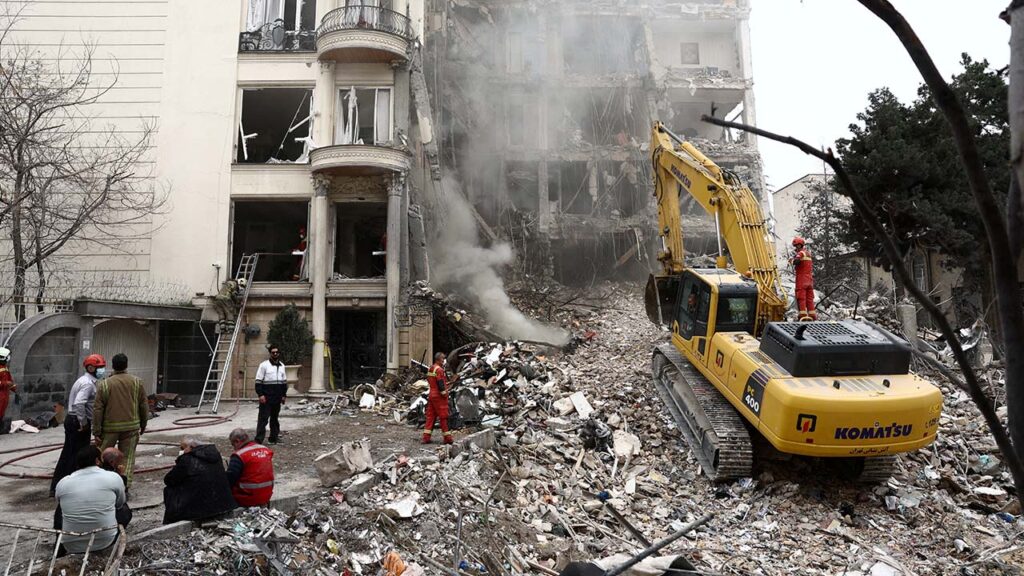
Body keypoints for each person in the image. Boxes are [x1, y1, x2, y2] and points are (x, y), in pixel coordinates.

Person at [51, 354, 106, 496]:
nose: (102, 370)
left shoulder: (85, 380)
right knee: (78, 455)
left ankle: (57, 485)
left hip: (72, 420)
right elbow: (79, 403)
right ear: (91, 367)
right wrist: (83, 422)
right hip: (77, 421)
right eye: (100, 368)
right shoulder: (88, 384)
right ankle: (72, 487)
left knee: (68, 453)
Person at [53, 445, 125, 555]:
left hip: (71, 544)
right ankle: (115, 542)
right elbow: (119, 504)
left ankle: (59, 546)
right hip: (105, 540)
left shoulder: (63, 483)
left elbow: (60, 504)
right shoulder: (113, 477)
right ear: (97, 461)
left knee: (62, 508)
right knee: (124, 510)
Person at [93, 353, 148, 489]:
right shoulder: (137, 382)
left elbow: (98, 409)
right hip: (131, 427)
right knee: (127, 457)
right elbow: (143, 405)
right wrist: (143, 424)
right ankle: (125, 485)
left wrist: (97, 431)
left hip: (109, 428)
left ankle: (101, 483)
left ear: (113, 365)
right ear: (126, 365)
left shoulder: (105, 384)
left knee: (103, 455)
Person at [163, 437, 237, 524]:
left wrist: (179, 461)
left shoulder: (187, 460)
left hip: (200, 508)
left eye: (183, 448)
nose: (182, 451)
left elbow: (169, 480)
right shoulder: (215, 455)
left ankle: (172, 519)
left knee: (169, 490)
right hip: (223, 503)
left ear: (191, 447)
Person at [226, 428, 274, 507]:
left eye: (233, 444)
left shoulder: (239, 455)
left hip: (247, 498)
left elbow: (230, 480)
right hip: (266, 496)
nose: (233, 448)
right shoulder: (265, 450)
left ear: (237, 441)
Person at [254, 345, 286, 444]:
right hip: (266, 397)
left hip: (277, 397)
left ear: (279, 353)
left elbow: (284, 382)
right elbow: (258, 381)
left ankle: (274, 438)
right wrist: (260, 395)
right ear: (270, 353)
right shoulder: (264, 365)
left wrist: (284, 395)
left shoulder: (282, 366)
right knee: (263, 419)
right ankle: (259, 440)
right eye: (273, 352)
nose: (275, 354)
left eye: (277, 352)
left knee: (275, 419)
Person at [423, 352, 453, 445]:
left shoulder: (431, 368)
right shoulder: (439, 370)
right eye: (442, 359)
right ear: (438, 359)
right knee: (443, 416)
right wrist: (445, 394)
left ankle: (426, 438)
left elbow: (431, 380)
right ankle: (448, 438)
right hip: (439, 396)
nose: (444, 361)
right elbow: (440, 384)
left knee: (430, 416)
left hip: (432, 394)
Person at [792, 236, 817, 321]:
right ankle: (812, 316)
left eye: (796, 246)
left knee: (801, 297)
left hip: (802, 279)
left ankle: (802, 316)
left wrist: (792, 260)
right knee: (809, 298)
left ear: (799, 245)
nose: (796, 248)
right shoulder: (808, 254)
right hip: (809, 279)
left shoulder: (801, 253)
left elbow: (796, 261)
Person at [0, 346, 16, 428]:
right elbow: (6, 382)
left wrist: (14, 388)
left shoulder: (5, 368)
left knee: (2, 413)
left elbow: (10, 380)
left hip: (4, 395)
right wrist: (6, 383)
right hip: (1, 394)